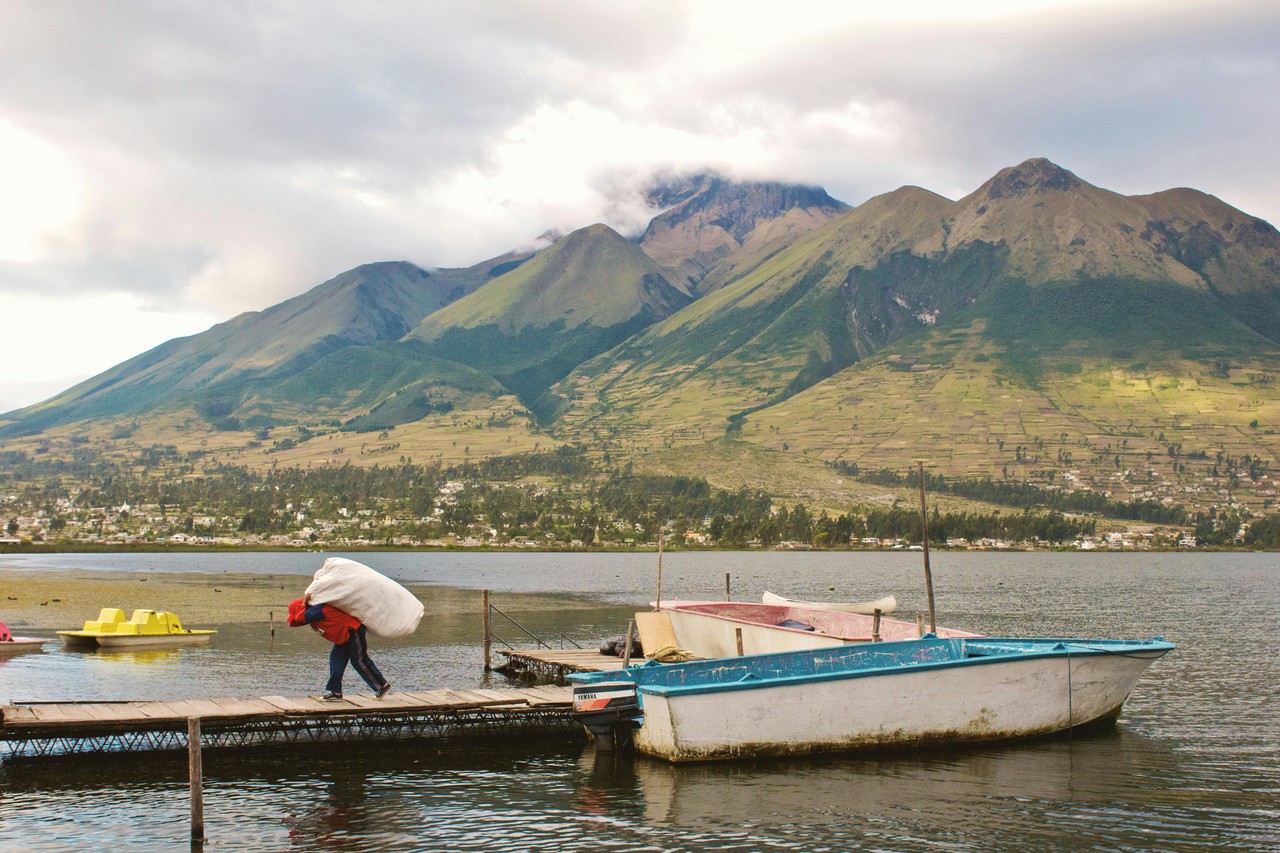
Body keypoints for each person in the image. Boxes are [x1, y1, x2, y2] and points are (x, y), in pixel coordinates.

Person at [287, 593, 391, 701]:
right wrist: (302, 607)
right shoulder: (312, 614)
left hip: (352, 631)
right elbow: (295, 622)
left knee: (359, 661)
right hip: (343, 637)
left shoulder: (316, 610)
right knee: (336, 659)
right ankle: (336, 692)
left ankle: (382, 686)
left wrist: (303, 603)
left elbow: (300, 618)